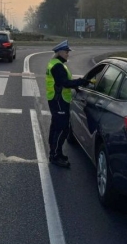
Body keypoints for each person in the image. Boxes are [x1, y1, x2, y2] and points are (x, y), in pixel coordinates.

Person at [46, 40, 90, 168]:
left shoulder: (57, 63)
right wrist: (81, 82)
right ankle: (54, 156)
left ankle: (57, 152)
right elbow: (64, 82)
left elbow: (63, 82)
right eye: (66, 52)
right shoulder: (57, 66)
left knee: (56, 127)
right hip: (59, 100)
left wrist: (76, 86)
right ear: (59, 52)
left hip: (57, 99)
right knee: (62, 128)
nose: (68, 54)